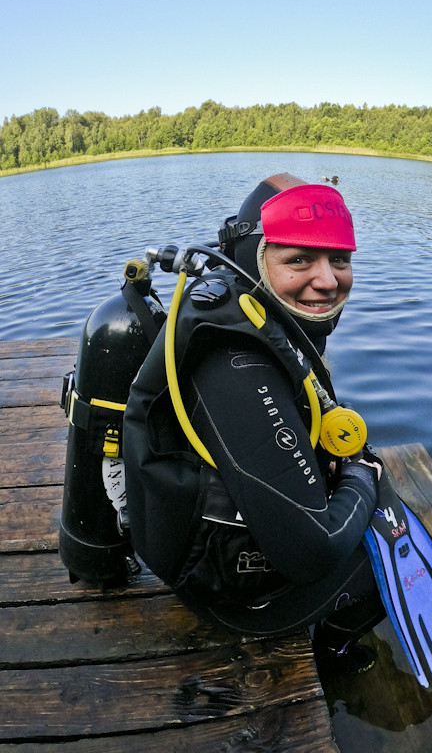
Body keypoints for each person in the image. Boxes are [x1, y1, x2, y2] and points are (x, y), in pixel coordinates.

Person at [123, 172, 386, 673]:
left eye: (340, 259)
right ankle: (332, 652)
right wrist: (361, 477)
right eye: (299, 259)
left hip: (201, 530)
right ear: (254, 256)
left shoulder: (252, 308)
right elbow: (312, 552)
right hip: (221, 587)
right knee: (390, 551)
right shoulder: (236, 363)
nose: (328, 279)